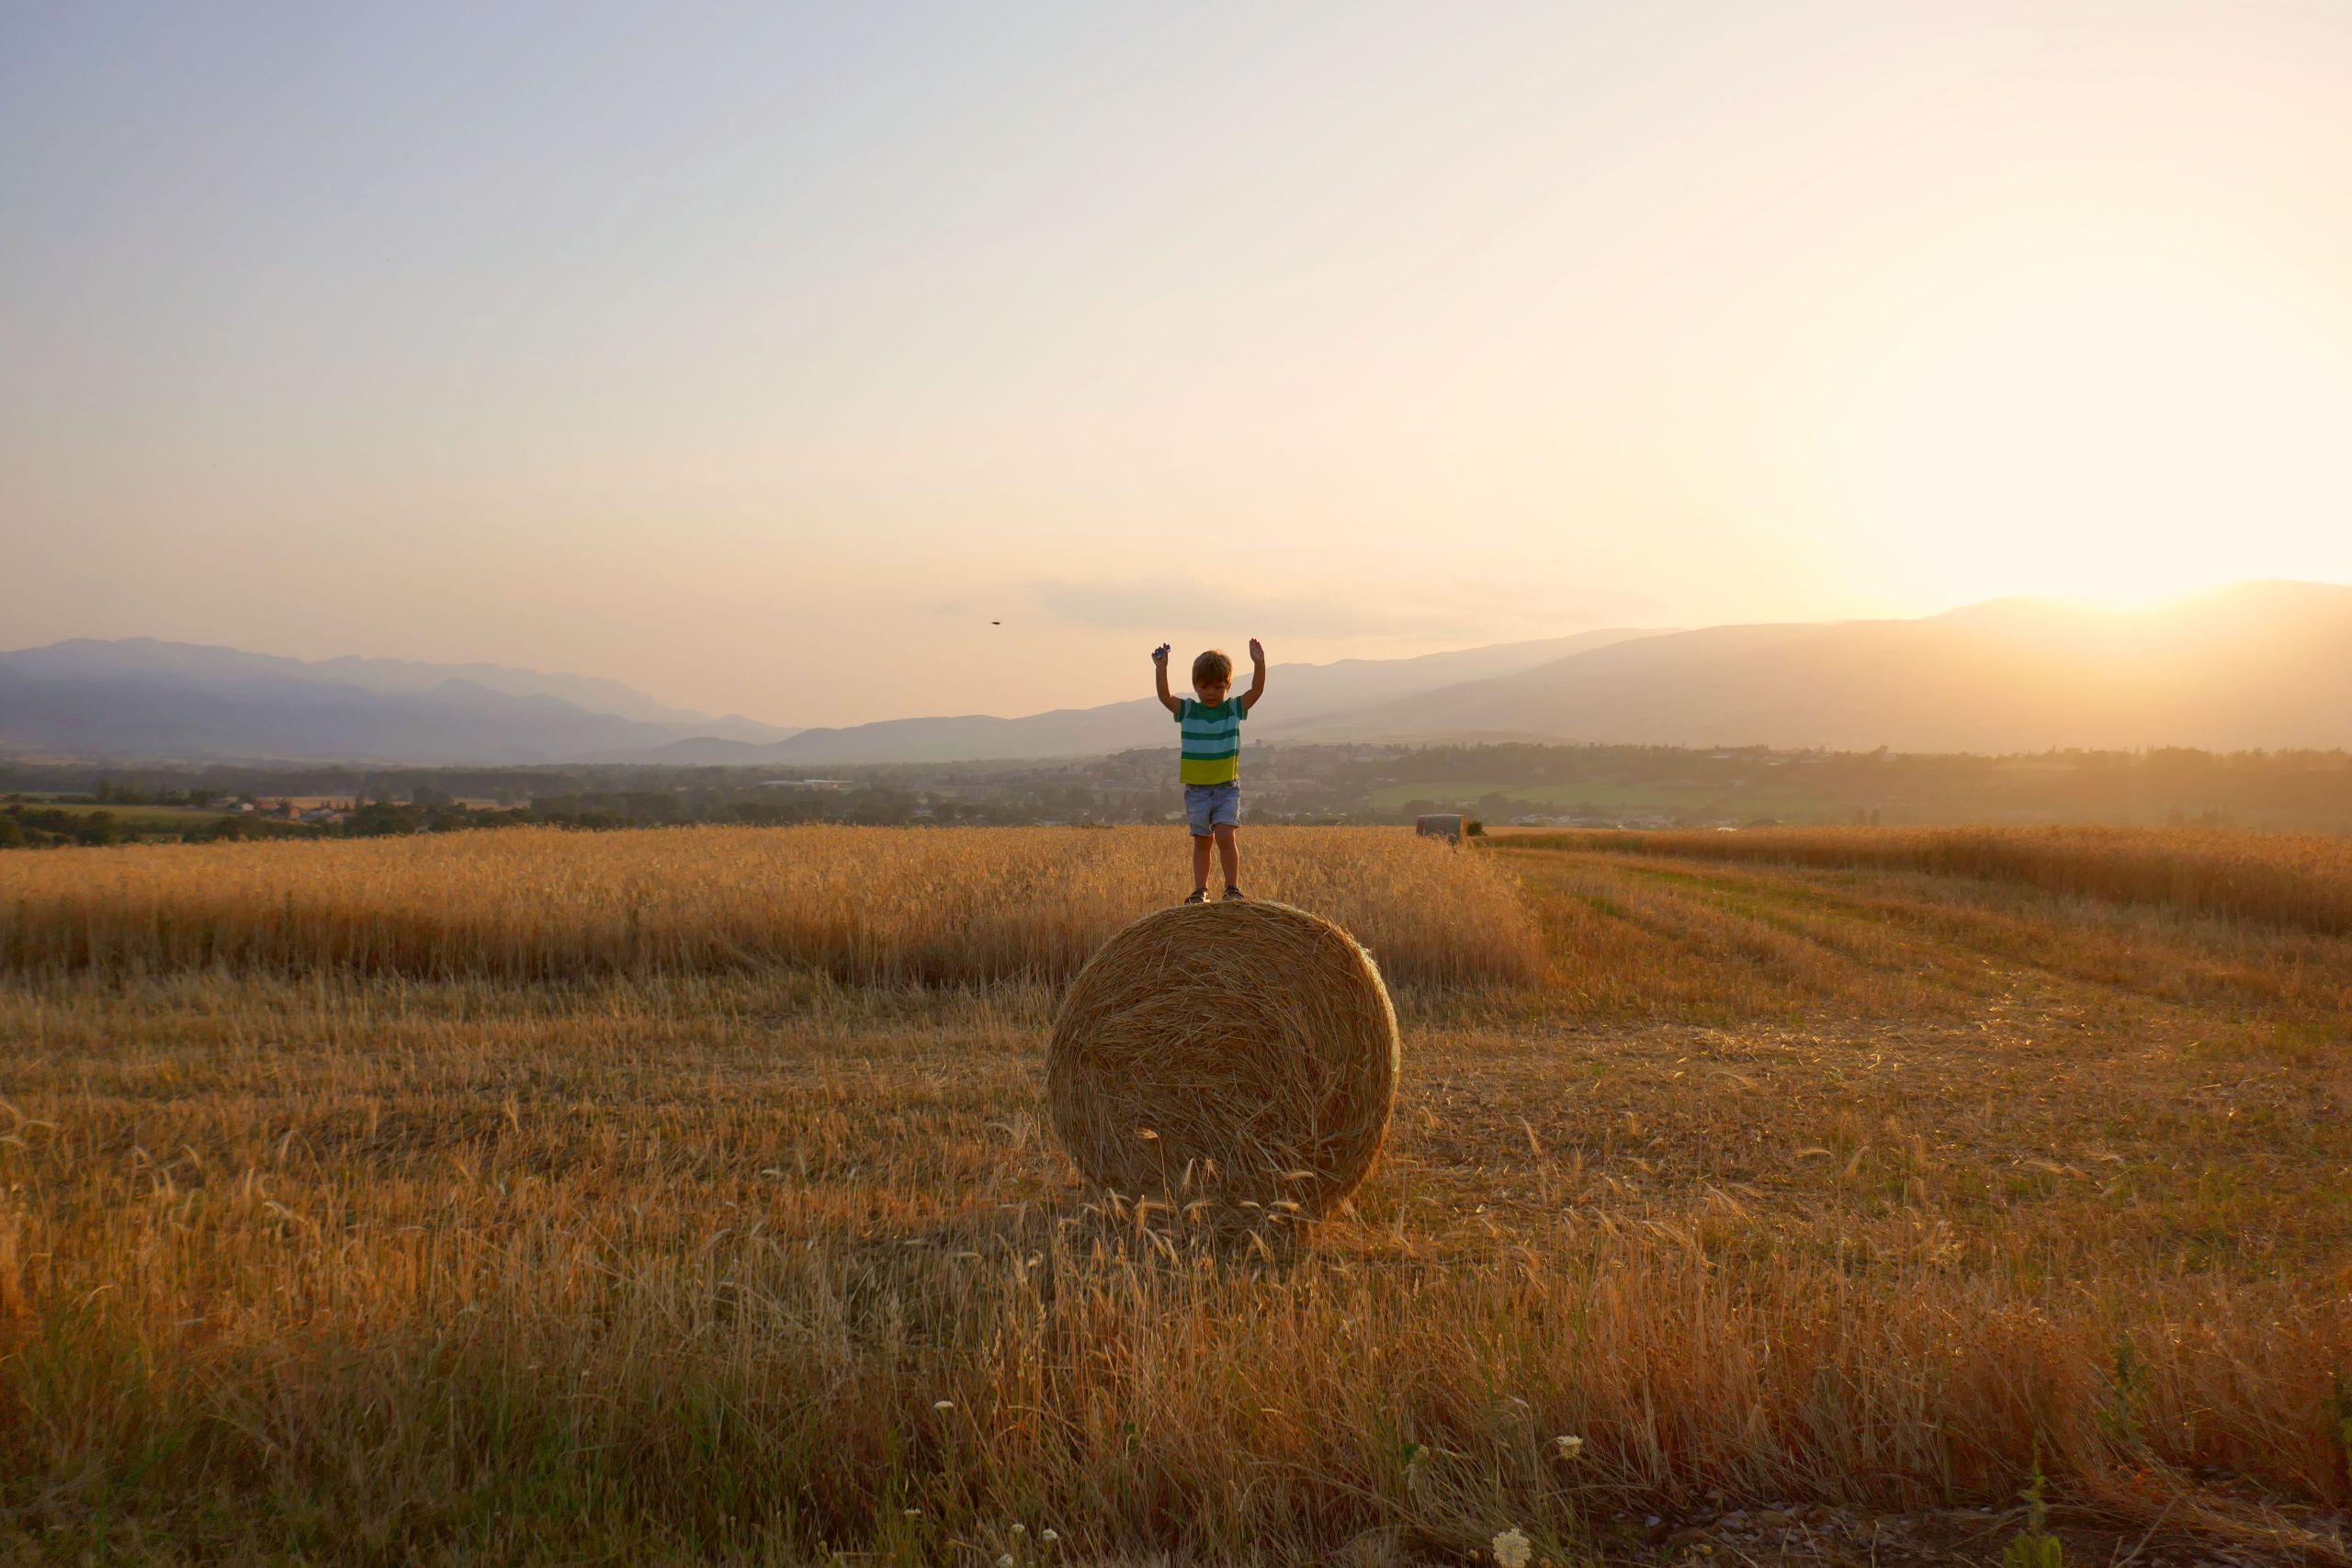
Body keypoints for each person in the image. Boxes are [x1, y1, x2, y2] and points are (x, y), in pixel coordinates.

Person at [1152, 637, 1266, 903]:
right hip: (1197, 789)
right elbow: (1164, 697)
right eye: (1204, 687)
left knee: (1225, 835)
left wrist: (1259, 664)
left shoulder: (1233, 709)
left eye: (1218, 686)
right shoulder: (1188, 710)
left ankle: (1232, 889)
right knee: (1203, 840)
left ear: (1228, 685)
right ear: (1195, 686)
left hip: (1227, 787)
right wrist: (1161, 668)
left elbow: (1257, 691)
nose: (1211, 692)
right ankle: (1200, 890)